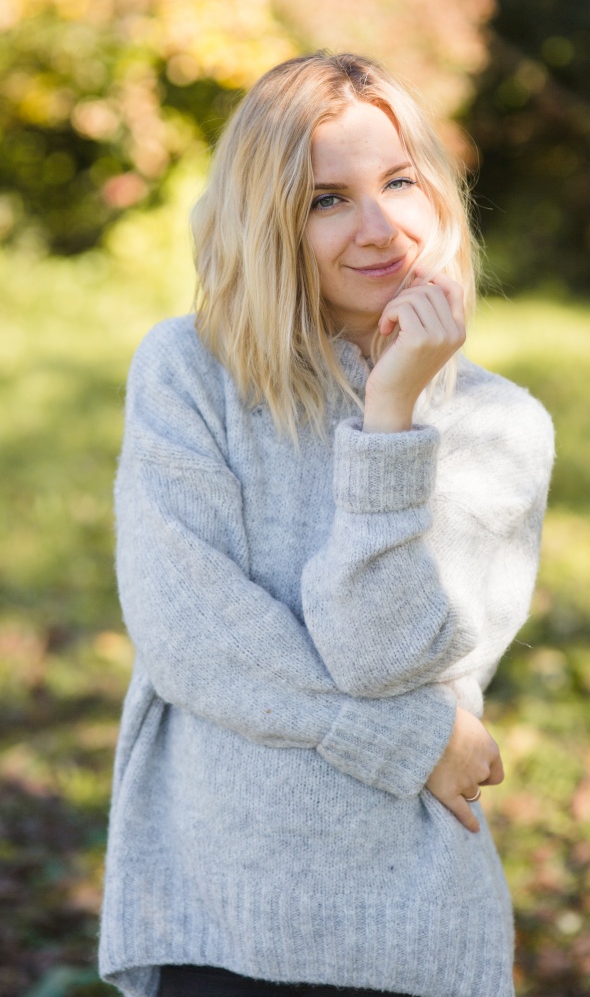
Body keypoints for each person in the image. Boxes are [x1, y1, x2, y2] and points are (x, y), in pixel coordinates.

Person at [99, 51, 554, 997]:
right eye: (328, 200)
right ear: (269, 220)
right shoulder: (188, 373)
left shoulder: (499, 426)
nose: (380, 229)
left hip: (406, 921)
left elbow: (381, 655)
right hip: (218, 914)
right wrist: (411, 739)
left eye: (400, 182)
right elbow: (187, 635)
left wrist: (391, 421)